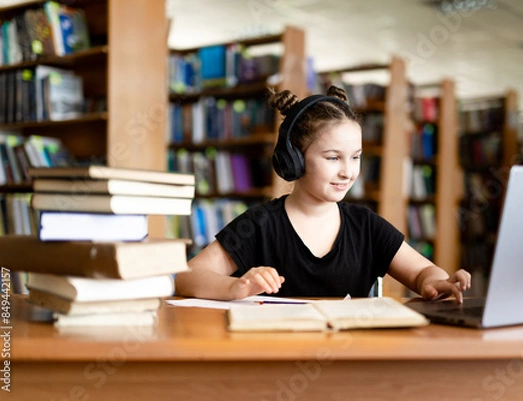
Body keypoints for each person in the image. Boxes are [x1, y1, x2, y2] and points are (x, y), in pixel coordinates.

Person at [175, 85, 471, 302]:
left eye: (355, 157)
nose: (348, 172)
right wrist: (236, 286)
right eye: (333, 158)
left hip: (349, 362)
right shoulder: (259, 224)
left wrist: (438, 282)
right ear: (294, 159)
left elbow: (422, 272)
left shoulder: (365, 226)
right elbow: (186, 276)